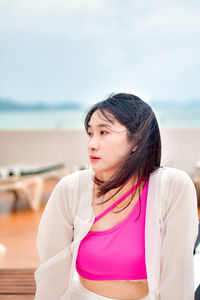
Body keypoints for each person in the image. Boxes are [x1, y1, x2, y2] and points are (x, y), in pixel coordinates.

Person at [34, 93, 199, 300]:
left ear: (137, 140)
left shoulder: (173, 186)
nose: (91, 144)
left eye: (104, 132)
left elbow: (177, 277)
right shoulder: (70, 189)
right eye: (90, 133)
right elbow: (51, 275)